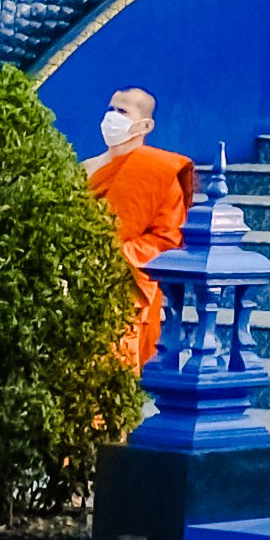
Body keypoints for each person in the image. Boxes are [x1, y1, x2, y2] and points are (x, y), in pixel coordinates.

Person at [85, 85, 193, 372]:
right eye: (110, 110)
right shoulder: (84, 169)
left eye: (122, 112)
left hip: (123, 293)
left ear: (145, 125)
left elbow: (167, 239)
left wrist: (111, 255)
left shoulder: (157, 171)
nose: (112, 118)